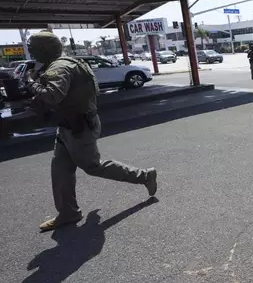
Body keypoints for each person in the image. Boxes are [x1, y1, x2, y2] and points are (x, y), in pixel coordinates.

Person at [2, 31, 157, 232]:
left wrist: (31, 83)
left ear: (44, 49)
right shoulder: (70, 63)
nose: (31, 52)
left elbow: (52, 96)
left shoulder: (60, 67)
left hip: (79, 127)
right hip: (69, 125)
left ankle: (144, 176)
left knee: (93, 166)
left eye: (33, 49)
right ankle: (68, 212)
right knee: (60, 170)